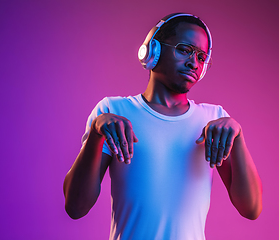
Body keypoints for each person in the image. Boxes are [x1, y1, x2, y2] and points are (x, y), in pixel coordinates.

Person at [63, 13, 262, 240]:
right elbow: (76, 207)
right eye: (184, 50)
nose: (193, 63)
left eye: (201, 56)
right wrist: (96, 136)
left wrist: (238, 136)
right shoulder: (112, 111)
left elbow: (251, 209)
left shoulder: (214, 119)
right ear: (152, 51)